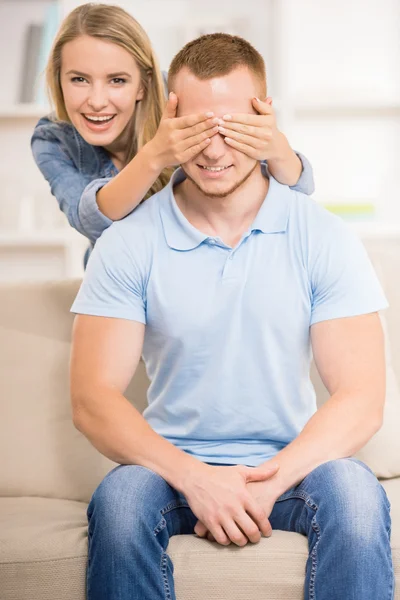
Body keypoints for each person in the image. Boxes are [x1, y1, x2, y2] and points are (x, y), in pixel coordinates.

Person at [69, 33, 394, 600]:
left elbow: (361, 398)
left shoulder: (322, 235)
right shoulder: (128, 242)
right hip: (170, 466)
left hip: (293, 465)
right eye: (196, 128)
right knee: (120, 502)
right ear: (169, 118)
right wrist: (194, 478)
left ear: (264, 121)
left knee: (358, 493)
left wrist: (271, 483)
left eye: (233, 129)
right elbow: (92, 400)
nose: (214, 150)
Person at [31, 3, 315, 265]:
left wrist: (277, 148)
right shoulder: (53, 139)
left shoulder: (178, 96)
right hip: (123, 275)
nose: (97, 100)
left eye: (117, 80)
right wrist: (155, 156)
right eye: (79, 79)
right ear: (59, 79)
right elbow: (91, 221)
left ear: (144, 84)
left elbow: (294, 188)